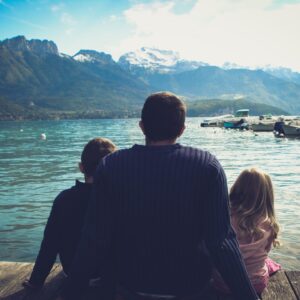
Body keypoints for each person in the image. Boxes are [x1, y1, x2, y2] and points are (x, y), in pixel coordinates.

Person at [60, 92, 259, 300]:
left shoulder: (111, 166)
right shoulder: (207, 167)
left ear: (142, 127)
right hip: (190, 287)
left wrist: (70, 292)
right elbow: (221, 242)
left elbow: (93, 239)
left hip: (129, 284)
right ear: (182, 130)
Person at [23, 137, 116, 297]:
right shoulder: (118, 198)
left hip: (73, 276)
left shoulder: (64, 199)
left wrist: (35, 282)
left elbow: (49, 246)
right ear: (113, 168)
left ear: (81, 167)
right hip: (109, 279)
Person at [214, 168, 281, 295]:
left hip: (223, 283)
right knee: (266, 261)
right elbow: (264, 252)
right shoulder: (269, 224)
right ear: (267, 194)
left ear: (237, 188)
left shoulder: (223, 217)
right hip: (256, 284)